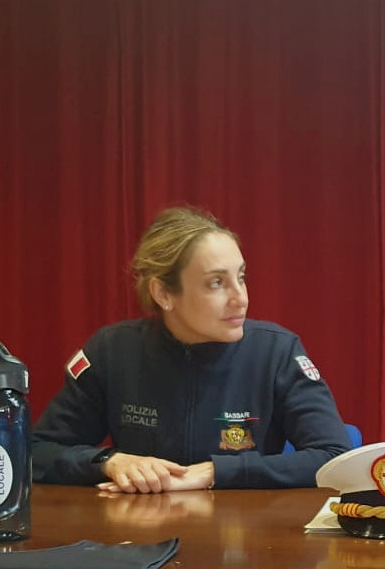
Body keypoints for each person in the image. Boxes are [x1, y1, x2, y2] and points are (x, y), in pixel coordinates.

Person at [32, 206, 350, 491]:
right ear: (163, 294)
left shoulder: (277, 351)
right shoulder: (112, 351)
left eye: (241, 277)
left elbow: (335, 456)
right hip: (139, 529)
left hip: (246, 531)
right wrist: (108, 462)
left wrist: (216, 472)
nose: (241, 298)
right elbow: (37, 451)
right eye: (217, 283)